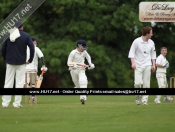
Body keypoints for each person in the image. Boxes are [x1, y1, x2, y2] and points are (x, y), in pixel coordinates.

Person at [1, 21, 35, 108]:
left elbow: (3, 48)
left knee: (8, 82)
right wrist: (30, 60)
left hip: (10, 61)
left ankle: (5, 103)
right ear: (22, 27)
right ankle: (16, 103)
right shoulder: (26, 36)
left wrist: (6, 58)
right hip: (21, 62)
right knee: (19, 83)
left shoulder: (8, 35)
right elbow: (32, 47)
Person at [128, 26, 156, 105]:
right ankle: (137, 97)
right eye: (151, 33)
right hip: (138, 65)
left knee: (146, 84)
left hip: (148, 65)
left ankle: (144, 101)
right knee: (137, 83)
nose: (152, 34)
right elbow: (131, 53)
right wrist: (133, 63)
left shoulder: (151, 42)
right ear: (147, 34)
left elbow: (153, 54)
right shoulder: (136, 41)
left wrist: (153, 64)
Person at [67, 39, 95, 105]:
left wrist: (90, 64)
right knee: (78, 86)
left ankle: (83, 98)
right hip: (73, 70)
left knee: (83, 81)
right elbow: (68, 63)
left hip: (81, 70)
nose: (85, 48)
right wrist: (75, 65)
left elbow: (88, 57)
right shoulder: (73, 53)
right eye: (84, 47)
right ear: (79, 46)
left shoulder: (84, 52)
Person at [25, 37, 48, 102]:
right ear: (32, 42)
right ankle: (33, 97)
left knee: (26, 83)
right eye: (35, 41)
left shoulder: (24, 48)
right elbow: (41, 56)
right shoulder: (35, 48)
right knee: (33, 84)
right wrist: (43, 66)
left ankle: (32, 96)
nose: (36, 42)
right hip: (33, 69)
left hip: (24, 69)